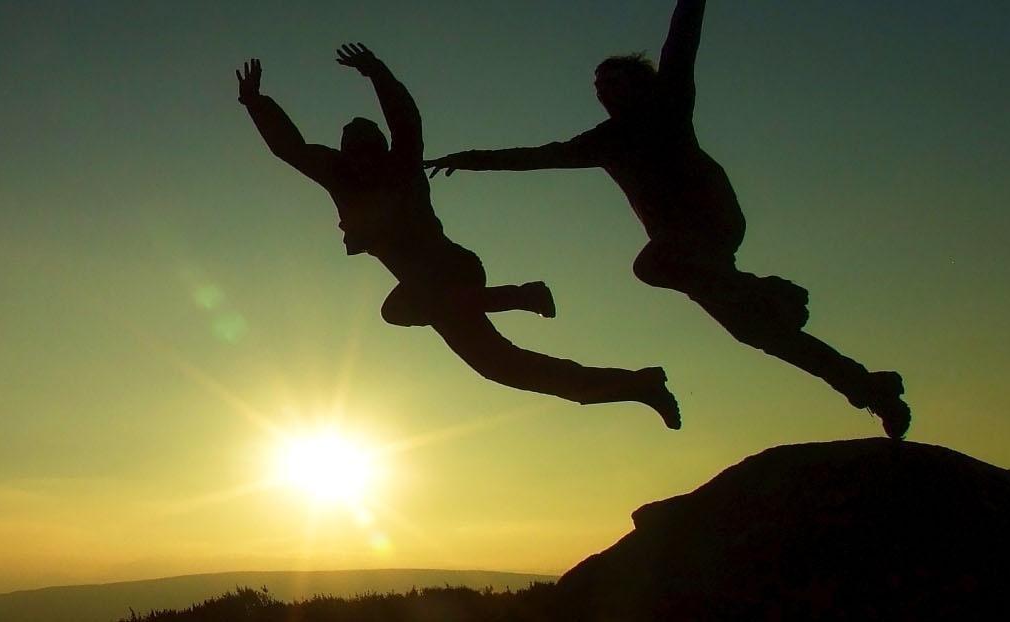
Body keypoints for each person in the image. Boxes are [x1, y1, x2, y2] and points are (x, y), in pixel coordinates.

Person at [424, 0, 910, 439]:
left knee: (651, 266)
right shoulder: (603, 141)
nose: (602, 91)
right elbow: (536, 157)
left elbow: (682, 39)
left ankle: (773, 290)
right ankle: (872, 390)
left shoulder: (668, 102)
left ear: (640, 83)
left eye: (612, 81)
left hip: (711, 223)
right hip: (692, 258)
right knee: (759, 334)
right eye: (597, 86)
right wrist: (469, 159)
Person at [238, 44, 679, 427]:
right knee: (505, 368)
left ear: (380, 148)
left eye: (370, 145)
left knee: (399, 310)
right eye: (355, 149)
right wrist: (256, 103)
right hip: (430, 288)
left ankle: (522, 296)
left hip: (451, 269)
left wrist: (376, 71)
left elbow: (405, 119)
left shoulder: (402, 166)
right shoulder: (339, 179)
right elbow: (289, 147)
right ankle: (639, 384)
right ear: (344, 155)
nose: (363, 156)